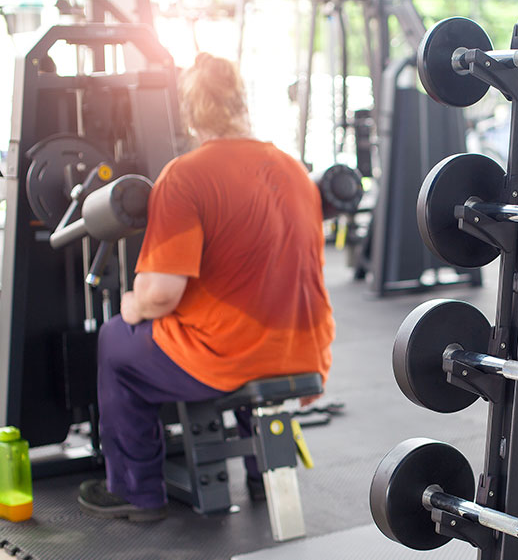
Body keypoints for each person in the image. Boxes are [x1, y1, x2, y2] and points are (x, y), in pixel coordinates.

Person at [77, 54, 335, 521]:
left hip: (229, 357)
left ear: (189, 113)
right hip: (306, 350)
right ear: (240, 103)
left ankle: (138, 492)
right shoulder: (294, 171)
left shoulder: (186, 175)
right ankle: (262, 475)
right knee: (239, 319)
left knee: (116, 340)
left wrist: (134, 305)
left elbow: (160, 296)